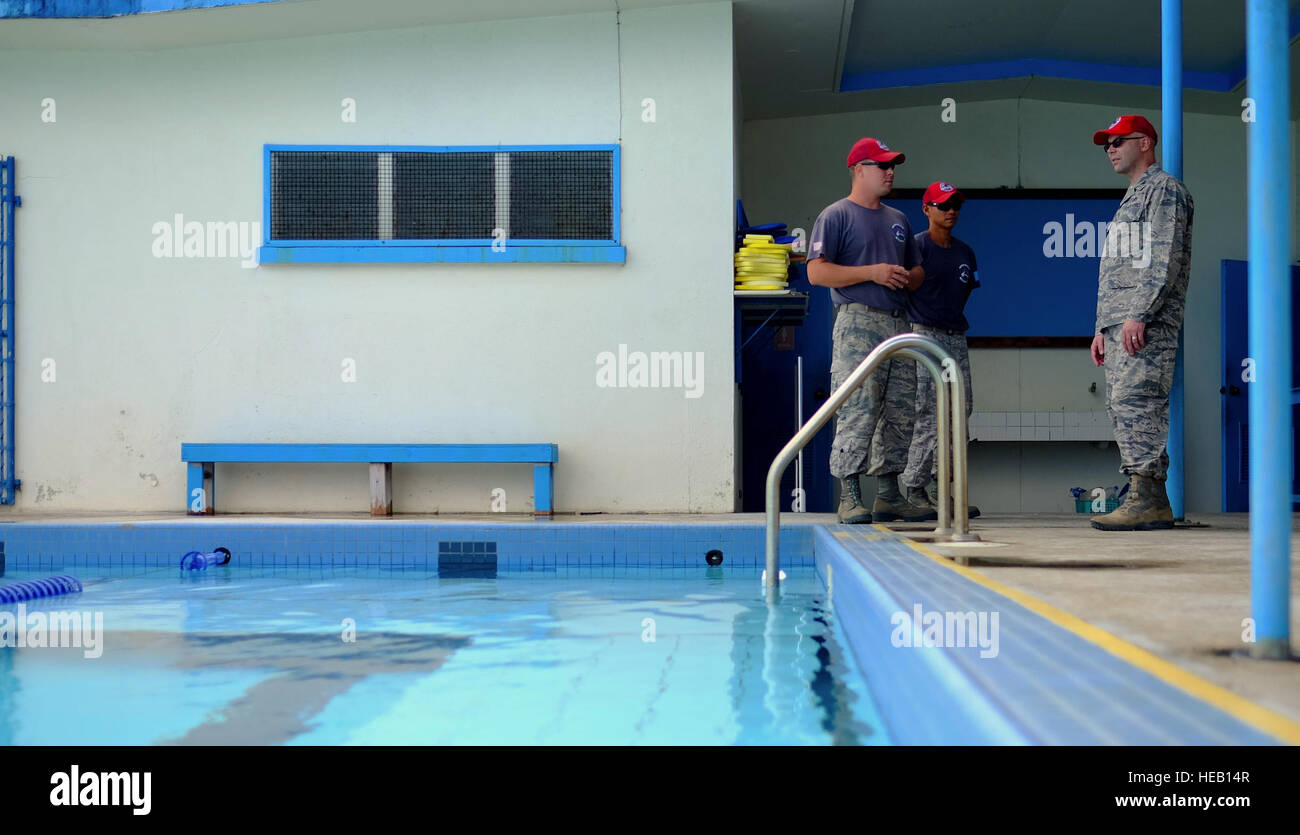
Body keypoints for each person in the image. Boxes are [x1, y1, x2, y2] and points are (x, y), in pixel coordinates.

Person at [807, 137, 937, 525]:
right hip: (858, 322)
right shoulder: (836, 215)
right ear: (858, 170)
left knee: (899, 410)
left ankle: (888, 494)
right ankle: (849, 494)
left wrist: (906, 276)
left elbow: (918, 272)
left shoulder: (898, 219)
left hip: (897, 321)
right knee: (858, 406)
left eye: (892, 165)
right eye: (882, 165)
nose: (890, 172)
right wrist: (873, 272)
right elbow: (816, 272)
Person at [1087, 114, 1194, 531]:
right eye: (1106, 144)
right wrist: (1101, 326)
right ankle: (1142, 493)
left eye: (1118, 140)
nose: (1111, 148)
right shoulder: (1132, 197)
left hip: (1144, 322)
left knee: (1140, 403)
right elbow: (1117, 270)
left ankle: (1148, 495)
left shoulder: (1164, 190)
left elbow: (1162, 259)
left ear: (1145, 143)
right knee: (1122, 404)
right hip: (1120, 324)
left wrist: (1139, 314)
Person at [898, 182, 980, 519]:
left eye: (955, 205)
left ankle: (942, 490)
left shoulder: (965, 251)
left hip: (955, 337)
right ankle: (915, 489)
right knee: (930, 414)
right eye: (943, 205)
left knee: (960, 411)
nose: (951, 211)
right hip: (924, 335)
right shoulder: (916, 248)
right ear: (927, 209)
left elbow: (967, 291)